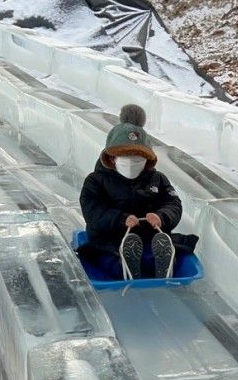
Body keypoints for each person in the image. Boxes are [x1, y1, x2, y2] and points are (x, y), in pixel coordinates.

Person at [79, 104, 186, 280]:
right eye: (124, 156)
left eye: (137, 158)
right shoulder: (95, 181)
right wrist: (120, 219)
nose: (131, 162)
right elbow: (92, 210)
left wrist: (162, 216)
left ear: (147, 159)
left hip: (148, 237)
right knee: (104, 257)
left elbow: (173, 203)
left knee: (157, 252)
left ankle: (161, 264)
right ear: (112, 158)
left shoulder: (157, 179)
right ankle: (124, 267)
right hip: (108, 239)